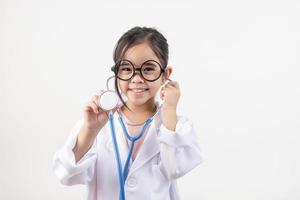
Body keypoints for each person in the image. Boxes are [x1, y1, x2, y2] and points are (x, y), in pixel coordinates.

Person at [52, 26, 203, 200]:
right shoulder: (97, 123)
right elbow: (66, 175)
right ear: (116, 72)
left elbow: (175, 168)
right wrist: (90, 130)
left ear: (165, 74)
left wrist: (169, 110)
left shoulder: (176, 126)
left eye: (148, 69)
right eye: (126, 68)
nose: (136, 78)